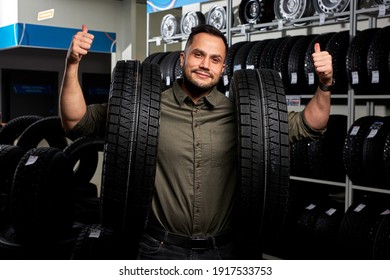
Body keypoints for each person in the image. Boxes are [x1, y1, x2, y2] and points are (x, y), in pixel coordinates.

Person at [59, 24, 333, 260]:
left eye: (215, 59)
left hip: (223, 251)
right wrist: (72, 65)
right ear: (183, 58)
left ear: (223, 67)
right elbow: (76, 122)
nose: (205, 65)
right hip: (159, 251)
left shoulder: (244, 116)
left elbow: (310, 125)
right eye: (198, 55)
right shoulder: (143, 108)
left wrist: (325, 85)